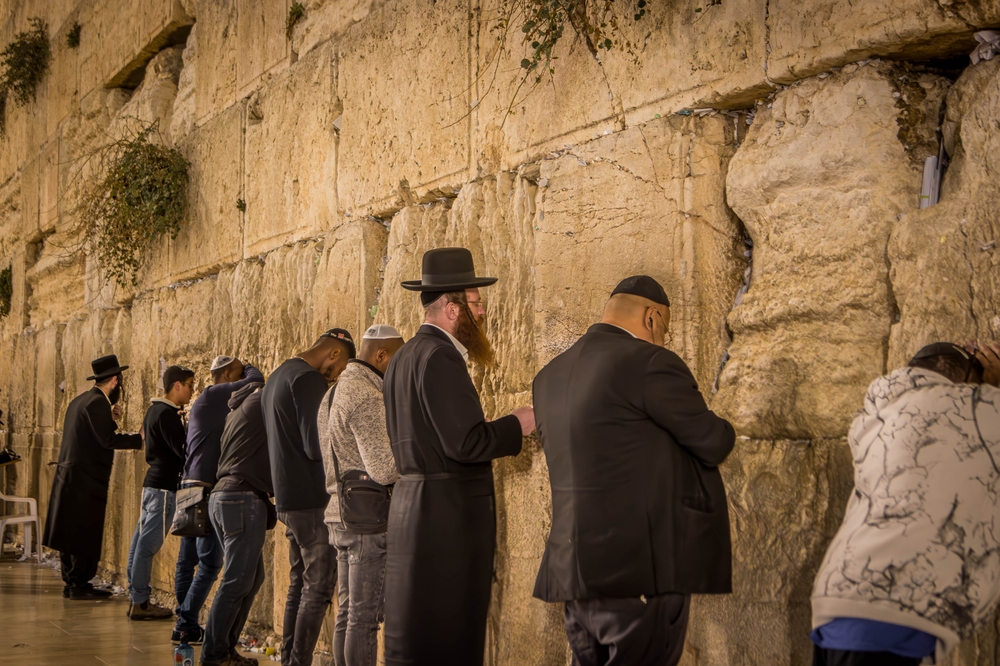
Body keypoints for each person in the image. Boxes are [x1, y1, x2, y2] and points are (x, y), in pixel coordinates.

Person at [531, 275, 736, 666]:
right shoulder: (649, 362)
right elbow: (713, 441)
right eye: (666, 330)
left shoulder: (549, 377)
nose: (664, 340)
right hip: (637, 573)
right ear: (652, 317)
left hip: (573, 576)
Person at [382, 247, 535, 666]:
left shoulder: (404, 357)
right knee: (448, 637)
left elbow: (429, 434)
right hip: (444, 524)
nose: (481, 313)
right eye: (475, 302)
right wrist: (516, 423)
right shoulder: (440, 356)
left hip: (414, 509)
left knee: (418, 639)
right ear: (451, 308)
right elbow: (465, 444)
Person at [810, 341, 1000, 666]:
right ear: (966, 381)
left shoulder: (872, 420)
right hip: (897, 609)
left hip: (837, 596)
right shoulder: (980, 409)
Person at [263, 329, 355, 666]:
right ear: (333, 353)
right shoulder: (308, 380)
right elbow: (316, 446)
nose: (336, 376)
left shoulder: (278, 375)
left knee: (299, 583)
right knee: (318, 586)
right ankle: (298, 662)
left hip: (288, 497)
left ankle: (290, 658)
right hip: (312, 499)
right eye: (340, 367)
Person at [320, 324, 405, 666]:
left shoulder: (336, 390)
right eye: (396, 359)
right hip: (364, 521)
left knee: (348, 614)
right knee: (364, 618)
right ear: (381, 355)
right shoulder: (366, 394)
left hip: (340, 512)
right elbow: (384, 468)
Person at [173, 356, 264, 645]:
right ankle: (187, 621)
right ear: (226, 374)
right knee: (210, 565)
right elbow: (256, 382)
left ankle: (183, 624)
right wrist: (248, 365)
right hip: (204, 487)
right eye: (235, 374)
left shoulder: (206, 402)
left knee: (187, 560)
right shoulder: (214, 393)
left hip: (188, 483)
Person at [42, 355, 143, 599]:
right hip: (84, 480)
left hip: (72, 476)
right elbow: (107, 440)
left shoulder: (81, 400)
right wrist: (139, 438)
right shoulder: (97, 402)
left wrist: (112, 420)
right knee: (83, 531)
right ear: (115, 380)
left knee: (71, 531)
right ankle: (77, 585)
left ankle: (73, 583)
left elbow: (92, 434)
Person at [201, 380, 274, 666]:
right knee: (236, 581)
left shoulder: (240, 409)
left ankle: (225, 649)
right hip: (241, 499)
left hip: (225, 496)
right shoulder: (264, 403)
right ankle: (215, 654)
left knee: (251, 578)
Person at [127, 365, 195, 620]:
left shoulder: (154, 411)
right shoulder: (166, 414)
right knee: (147, 545)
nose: (191, 391)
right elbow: (183, 450)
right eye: (189, 385)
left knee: (139, 543)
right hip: (164, 488)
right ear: (177, 385)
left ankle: (136, 597)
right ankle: (141, 602)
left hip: (152, 485)